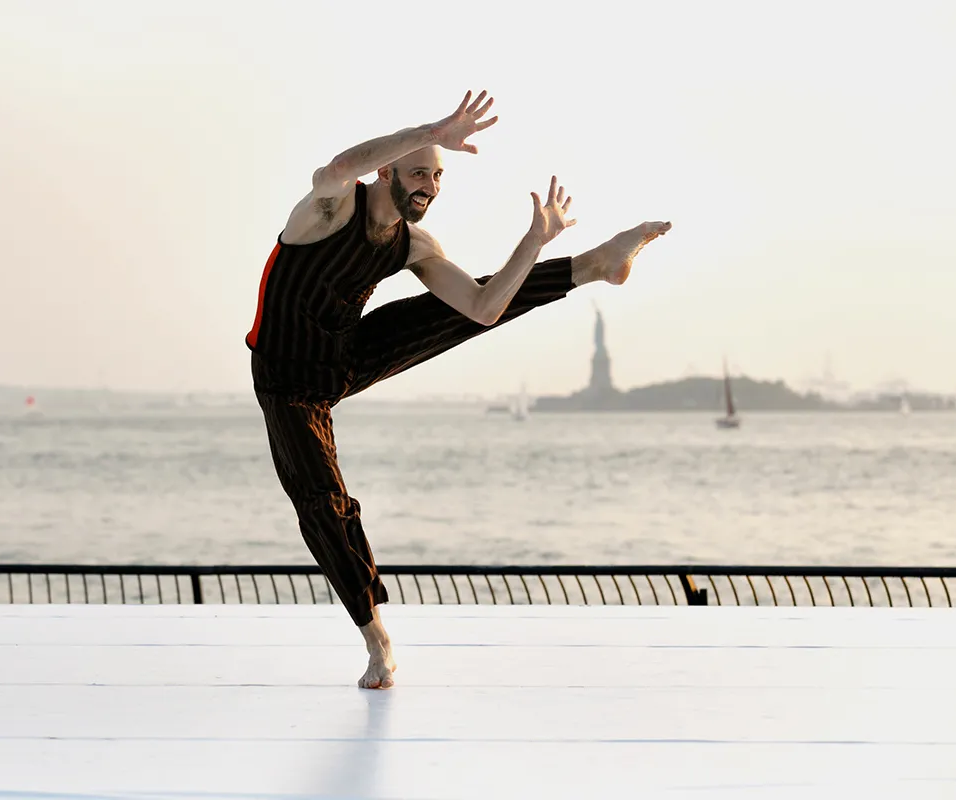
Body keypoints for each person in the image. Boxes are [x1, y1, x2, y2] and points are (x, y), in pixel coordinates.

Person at [244, 90, 671, 689]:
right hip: (287, 379)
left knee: (456, 312)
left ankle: (593, 264)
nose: (430, 185)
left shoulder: (415, 245)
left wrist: (535, 241)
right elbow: (338, 166)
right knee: (322, 500)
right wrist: (431, 131)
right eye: (419, 172)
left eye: (438, 176)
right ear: (387, 172)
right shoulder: (330, 208)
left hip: (344, 357)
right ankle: (377, 639)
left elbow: (483, 307)